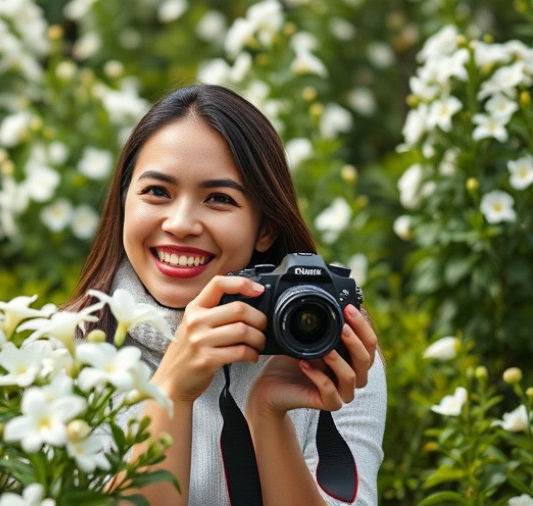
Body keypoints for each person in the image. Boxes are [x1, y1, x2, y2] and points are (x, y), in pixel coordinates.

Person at [64, 83, 386, 505]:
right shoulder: (64, 348)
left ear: (265, 228)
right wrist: (172, 389)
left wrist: (268, 414)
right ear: (125, 203)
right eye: (157, 191)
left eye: (218, 198)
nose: (181, 224)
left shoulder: (328, 347)